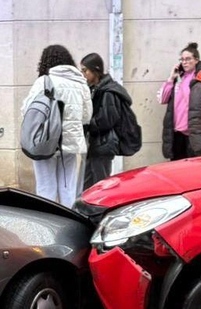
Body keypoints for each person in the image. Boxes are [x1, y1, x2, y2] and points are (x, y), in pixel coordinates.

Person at [22, 44, 92, 206]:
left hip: (46, 141)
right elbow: (87, 116)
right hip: (70, 143)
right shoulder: (81, 83)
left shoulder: (44, 81)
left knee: (46, 187)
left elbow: (28, 111)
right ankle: (69, 221)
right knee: (68, 188)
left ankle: (49, 223)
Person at [80, 53, 133, 190]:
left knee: (101, 185)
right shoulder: (95, 89)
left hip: (103, 145)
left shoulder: (108, 92)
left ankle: (103, 211)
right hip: (94, 144)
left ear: (95, 70)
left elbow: (107, 120)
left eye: (85, 70)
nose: (83, 74)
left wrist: (86, 124)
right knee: (86, 186)